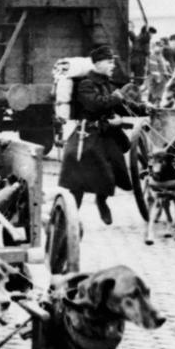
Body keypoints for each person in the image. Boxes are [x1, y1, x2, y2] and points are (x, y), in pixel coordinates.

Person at [58, 45, 145, 226]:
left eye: (113, 61)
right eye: (109, 61)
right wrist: (118, 96)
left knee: (111, 171)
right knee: (77, 176)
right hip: (87, 134)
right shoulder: (86, 84)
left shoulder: (108, 84)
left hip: (106, 134)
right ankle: (70, 216)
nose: (113, 65)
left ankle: (102, 201)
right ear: (97, 63)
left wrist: (145, 109)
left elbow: (123, 105)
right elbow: (95, 104)